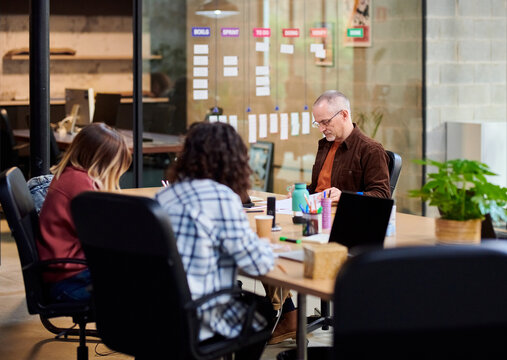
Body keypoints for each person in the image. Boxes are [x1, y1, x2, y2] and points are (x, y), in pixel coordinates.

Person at [156, 122, 275, 359]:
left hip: (156, 311)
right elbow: (258, 264)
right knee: (263, 311)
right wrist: (266, 243)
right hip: (195, 314)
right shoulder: (221, 197)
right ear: (233, 160)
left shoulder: (164, 196)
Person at [38, 123, 132, 302]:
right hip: (70, 282)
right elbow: (106, 237)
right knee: (150, 286)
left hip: (68, 275)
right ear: (101, 163)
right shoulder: (80, 185)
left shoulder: (72, 177)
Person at [307, 90, 390, 202]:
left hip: (344, 215)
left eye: (325, 122)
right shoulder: (325, 145)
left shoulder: (371, 150)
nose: (321, 129)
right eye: (318, 124)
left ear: (344, 115)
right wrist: (302, 192)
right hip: (317, 210)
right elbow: (317, 189)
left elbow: (382, 195)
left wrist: (344, 197)